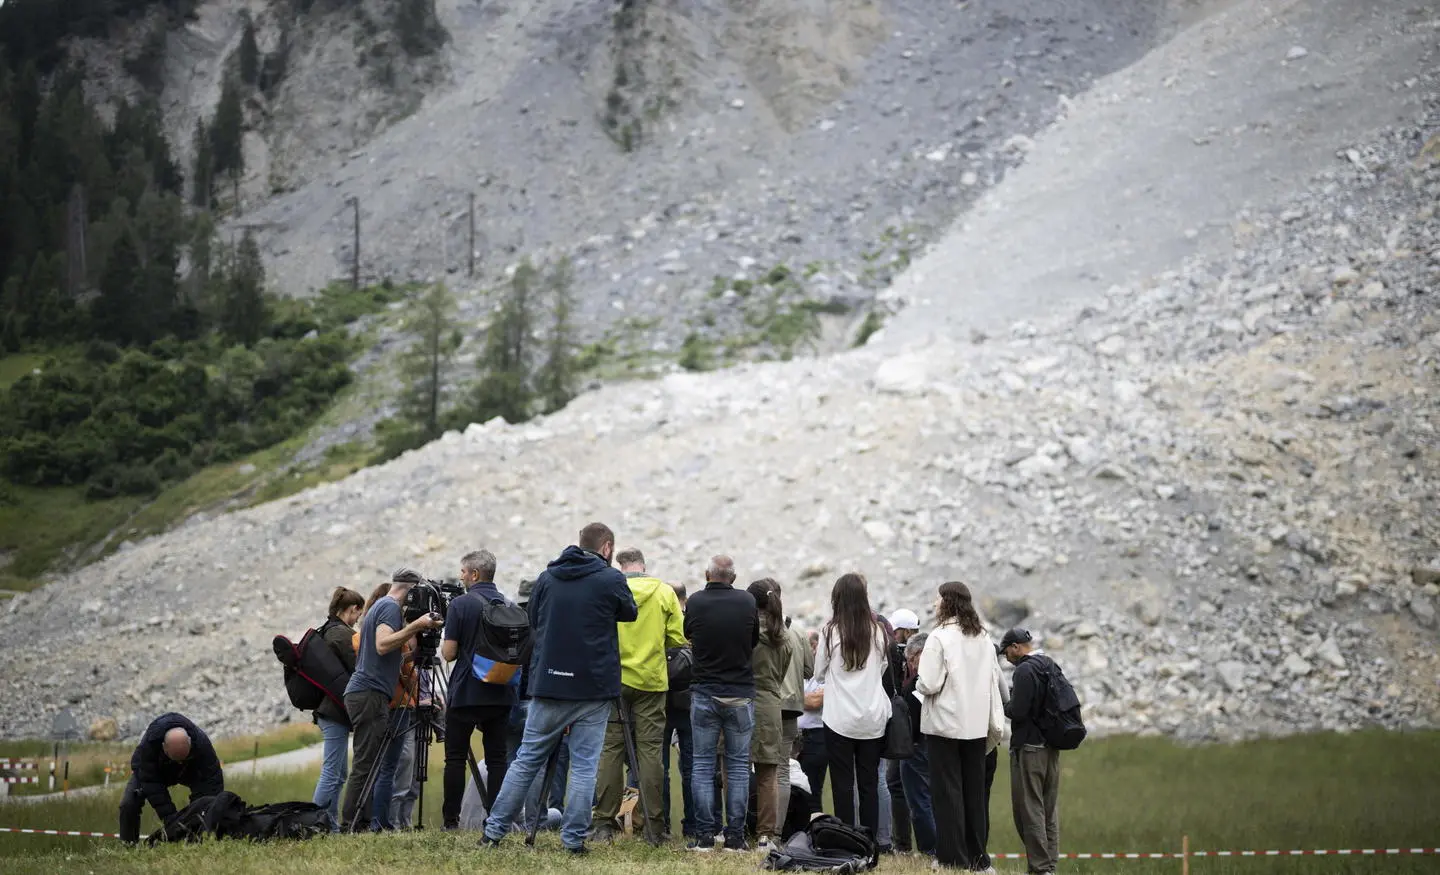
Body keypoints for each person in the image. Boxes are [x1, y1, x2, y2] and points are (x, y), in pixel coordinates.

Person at [483, 523, 638, 854]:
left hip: (549, 682)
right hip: (593, 687)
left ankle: (493, 832)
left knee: (526, 759)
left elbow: (535, 618)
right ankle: (572, 841)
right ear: (607, 547)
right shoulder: (611, 579)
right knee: (584, 766)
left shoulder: (548, 577)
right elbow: (630, 613)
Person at [592, 548, 686, 844]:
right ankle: (654, 827)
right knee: (650, 753)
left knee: (610, 751)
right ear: (644, 565)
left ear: (621, 566)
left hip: (614, 682)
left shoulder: (609, 589)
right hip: (651, 682)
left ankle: (604, 824)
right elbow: (677, 638)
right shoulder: (663, 591)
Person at [340, 569, 442, 832]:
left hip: (369, 693)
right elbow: (383, 645)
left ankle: (361, 823)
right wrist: (417, 625)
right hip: (369, 694)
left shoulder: (382, 607)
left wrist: (416, 651)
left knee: (371, 762)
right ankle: (351, 825)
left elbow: (388, 656)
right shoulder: (389, 607)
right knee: (366, 764)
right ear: (410, 590)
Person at [917, 581, 1003, 872]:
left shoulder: (939, 637)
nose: (934, 604)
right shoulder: (983, 637)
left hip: (945, 724)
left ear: (948, 602)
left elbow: (928, 683)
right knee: (974, 793)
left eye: (937, 599)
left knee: (946, 793)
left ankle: (952, 858)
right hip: (976, 725)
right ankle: (978, 858)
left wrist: (917, 682)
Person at [684, 555, 759, 852]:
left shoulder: (697, 601)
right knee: (739, 766)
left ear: (707, 574)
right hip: (740, 692)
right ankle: (736, 838)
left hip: (704, 692)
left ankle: (704, 836)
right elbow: (753, 640)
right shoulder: (747, 601)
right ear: (734, 577)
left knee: (702, 764)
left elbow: (688, 633)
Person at [441, 550, 518, 829]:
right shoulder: (507, 603)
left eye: (463, 572)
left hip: (467, 692)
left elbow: (448, 654)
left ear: (474, 574)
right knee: (498, 757)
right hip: (501, 689)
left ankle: (451, 820)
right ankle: (495, 820)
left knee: (455, 758)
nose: (460, 576)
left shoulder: (461, 604)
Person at [814, 573, 891, 841]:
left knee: (842, 783)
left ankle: (848, 841)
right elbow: (881, 668)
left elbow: (819, 672)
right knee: (869, 782)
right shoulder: (878, 632)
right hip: (872, 718)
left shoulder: (830, 632)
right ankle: (871, 841)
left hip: (839, 719)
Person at [1002, 628, 1062, 875]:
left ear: (1016, 647)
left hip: (1030, 750)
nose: (1006, 658)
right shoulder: (1049, 664)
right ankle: (1050, 866)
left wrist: (1003, 701)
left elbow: (1018, 711)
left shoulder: (1025, 670)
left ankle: (1039, 868)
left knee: (1029, 810)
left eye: (1006, 652)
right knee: (1048, 810)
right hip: (1051, 748)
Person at [119, 713, 224, 845]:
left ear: (190, 743)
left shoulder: (202, 744)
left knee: (206, 802)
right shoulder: (149, 746)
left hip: (189, 770)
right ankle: (129, 846)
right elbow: (152, 784)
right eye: (176, 759)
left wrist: (204, 815)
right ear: (163, 747)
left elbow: (212, 782)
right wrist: (172, 820)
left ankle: (198, 841)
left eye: (183, 758)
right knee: (128, 804)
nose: (179, 762)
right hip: (157, 772)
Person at [746, 578, 795, 852]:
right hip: (771, 703)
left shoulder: (746, 631)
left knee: (737, 769)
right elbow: (784, 670)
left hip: (744, 699)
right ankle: (766, 834)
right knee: (769, 773)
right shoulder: (784, 636)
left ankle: (736, 829)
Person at [312, 587, 363, 830]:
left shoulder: (328, 630)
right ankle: (316, 823)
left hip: (330, 711)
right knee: (331, 773)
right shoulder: (342, 635)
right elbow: (359, 666)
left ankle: (329, 825)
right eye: (358, 614)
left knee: (339, 774)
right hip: (333, 713)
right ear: (352, 610)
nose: (358, 620)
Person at [774, 582, 814, 833]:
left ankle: (755, 826)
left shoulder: (755, 628)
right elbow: (810, 670)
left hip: (763, 705)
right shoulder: (798, 630)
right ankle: (777, 830)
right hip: (791, 707)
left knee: (751, 768)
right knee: (783, 768)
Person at [886, 608, 921, 852]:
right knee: (896, 783)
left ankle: (911, 845)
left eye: (896, 631)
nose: (893, 636)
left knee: (905, 786)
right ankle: (904, 844)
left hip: (915, 734)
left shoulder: (919, 658)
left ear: (906, 631)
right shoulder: (900, 656)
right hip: (904, 731)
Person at [898, 632, 936, 856]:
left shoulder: (918, 683)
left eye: (912, 659)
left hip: (917, 746)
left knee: (919, 801)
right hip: (940, 745)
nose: (911, 665)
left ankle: (930, 849)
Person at [662, 581, 694, 840]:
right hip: (689, 704)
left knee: (658, 766)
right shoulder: (692, 623)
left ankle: (661, 824)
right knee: (692, 768)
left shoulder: (657, 620)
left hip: (660, 703)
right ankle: (692, 825)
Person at [797, 631, 827, 812]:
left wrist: (790, 696)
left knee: (813, 788)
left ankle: (814, 832)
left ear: (814, 647)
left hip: (817, 736)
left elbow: (815, 702)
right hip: (795, 735)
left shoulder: (824, 674)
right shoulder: (796, 671)